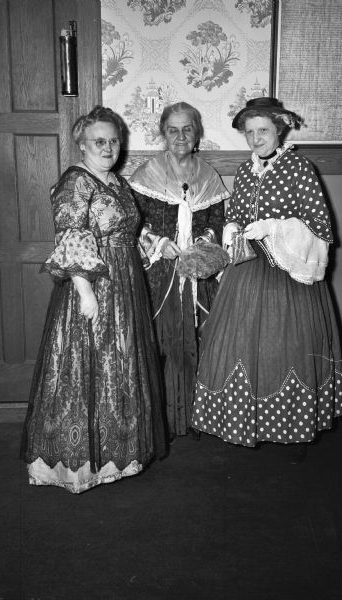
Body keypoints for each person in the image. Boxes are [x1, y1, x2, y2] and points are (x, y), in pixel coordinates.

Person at [191, 97, 342, 462]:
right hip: (247, 270)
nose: (256, 138)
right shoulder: (246, 171)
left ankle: (292, 429)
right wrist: (233, 226)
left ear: (279, 129)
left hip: (288, 274)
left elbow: (319, 225)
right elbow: (239, 212)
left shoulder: (299, 168)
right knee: (238, 345)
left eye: (262, 130)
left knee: (287, 345)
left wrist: (274, 229)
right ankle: (246, 424)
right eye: (249, 132)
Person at [21, 105, 166, 493]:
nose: (107, 147)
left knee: (120, 360)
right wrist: (85, 291)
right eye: (99, 141)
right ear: (82, 144)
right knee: (86, 363)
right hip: (94, 283)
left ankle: (118, 459)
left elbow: (130, 229)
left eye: (113, 141)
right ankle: (79, 466)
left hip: (125, 281)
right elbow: (71, 237)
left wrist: (158, 245)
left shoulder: (117, 182)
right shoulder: (76, 181)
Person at [129, 102, 230, 440]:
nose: (181, 136)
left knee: (203, 338)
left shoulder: (208, 175)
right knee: (159, 340)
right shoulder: (146, 174)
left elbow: (216, 220)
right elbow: (134, 223)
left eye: (187, 129)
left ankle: (198, 417)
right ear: (163, 133)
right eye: (173, 129)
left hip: (198, 273)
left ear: (197, 133)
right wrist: (157, 242)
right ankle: (162, 422)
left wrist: (203, 241)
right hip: (159, 273)